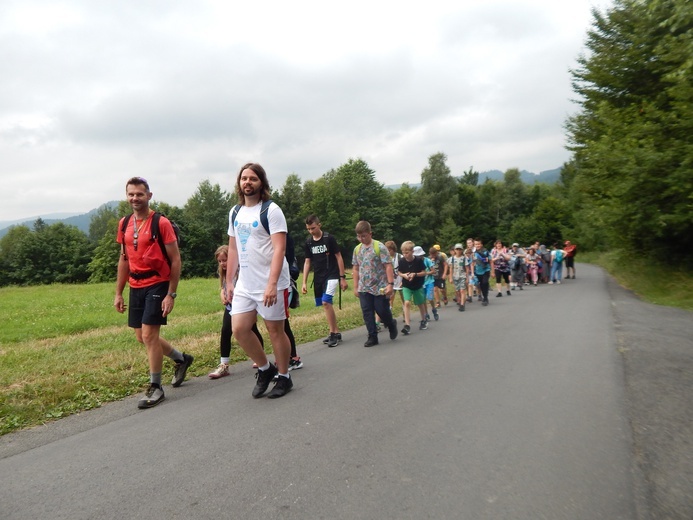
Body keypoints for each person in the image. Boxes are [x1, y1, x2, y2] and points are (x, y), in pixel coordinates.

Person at [114, 176, 193, 409]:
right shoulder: (124, 223)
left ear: (149, 195)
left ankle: (156, 386)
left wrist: (172, 293)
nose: (135, 198)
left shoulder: (161, 223)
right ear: (127, 196)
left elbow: (176, 259)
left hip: (158, 283)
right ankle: (181, 359)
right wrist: (119, 292)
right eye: (131, 194)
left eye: (140, 194)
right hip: (136, 285)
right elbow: (124, 258)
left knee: (149, 336)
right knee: (142, 337)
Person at [226, 162, 293, 399]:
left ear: (261, 183)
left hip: (271, 282)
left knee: (276, 330)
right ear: (239, 183)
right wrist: (229, 282)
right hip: (246, 283)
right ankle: (266, 369)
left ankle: (284, 376)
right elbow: (232, 249)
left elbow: (279, 249)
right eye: (244, 178)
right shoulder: (235, 212)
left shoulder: (271, 210)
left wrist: (272, 284)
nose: (247, 182)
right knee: (240, 329)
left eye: (253, 178)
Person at [209, 245, 264, 379]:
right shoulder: (223, 272)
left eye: (225, 260)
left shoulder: (241, 271)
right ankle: (224, 365)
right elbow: (223, 287)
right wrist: (223, 295)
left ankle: (260, 357)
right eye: (220, 261)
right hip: (230, 307)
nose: (222, 264)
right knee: (225, 331)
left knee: (252, 330)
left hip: (243, 307)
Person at [302, 214, 348, 348]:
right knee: (324, 305)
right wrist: (304, 282)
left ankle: (333, 333)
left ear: (319, 225)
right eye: (308, 229)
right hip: (318, 277)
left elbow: (339, 257)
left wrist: (342, 277)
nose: (311, 231)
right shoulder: (308, 242)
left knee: (326, 302)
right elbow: (307, 261)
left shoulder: (329, 239)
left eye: (313, 228)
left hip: (332, 274)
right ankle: (335, 331)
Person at [352, 220, 398, 347]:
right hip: (364, 287)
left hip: (380, 287)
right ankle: (372, 336)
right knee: (367, 312)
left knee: (381, 310)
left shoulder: (380, 247)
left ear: (370, 234)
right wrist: (356, 287)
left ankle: (391, 323)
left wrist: (390, 284)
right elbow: (355, 269)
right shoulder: (357, 249)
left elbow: (388, 266)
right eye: (359, 236)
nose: (361, 239)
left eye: (364, 236)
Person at [397, 241, 429, 333]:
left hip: (417, 285)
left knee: (420, 303)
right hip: (407, 285)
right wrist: (404, 275)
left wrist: (415, 274)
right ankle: (407, 325)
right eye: (403, 253)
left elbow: (424, 272)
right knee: (406, 303)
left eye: (407, 253)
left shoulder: (418, 261)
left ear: (412, 251)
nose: (405, 255)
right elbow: (399, 272)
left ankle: (423, 320)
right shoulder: (402, 261)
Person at [414, 245, 437, 322]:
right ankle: (426, 314)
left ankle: (434, 309)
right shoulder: (415, 262)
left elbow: (434, 271)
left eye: (420, 256)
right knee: (422, 300)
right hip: (420, 283)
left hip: (429, 281)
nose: (419, 257)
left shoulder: (427, 261)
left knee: (430, 298)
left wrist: (426, 273)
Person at [385, 240, 404, 313]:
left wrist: (403, 281)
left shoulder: (400, 257)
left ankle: (405, 314)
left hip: (401, 281)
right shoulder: (386, 258)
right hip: (392, 282)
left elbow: (405, 269)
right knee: (390, 299)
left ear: (393, 249)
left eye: (389, 250)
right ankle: (389, 315)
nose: (388, 252)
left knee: (403, 299)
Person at [473, 239, 492, 306]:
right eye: (476, 244)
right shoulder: (473, 253)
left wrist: (493, 271)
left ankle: (485, 298)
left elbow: (490, 261)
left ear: (481, 244)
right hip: (477, 271)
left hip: (486, 270)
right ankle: (484, 296)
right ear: (474, 245)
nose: (477, 245)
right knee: (481, 284)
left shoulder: (485, 252)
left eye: (478, 244)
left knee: (485, 282)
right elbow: (471, 262)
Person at [448, 243, 467, 311]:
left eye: (460, 249)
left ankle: (462, 305)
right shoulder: (452, 259)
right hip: (455, 276)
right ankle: (459, 301)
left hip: (462, 276)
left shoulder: (464, 258)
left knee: (462, 290)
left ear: (462, 250)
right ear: (455, 250)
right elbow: (451, 269)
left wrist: (467, 277)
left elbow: (467, 268)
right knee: (457, 291)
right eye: (457, 249)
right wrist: (450, 277)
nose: (458, 251)